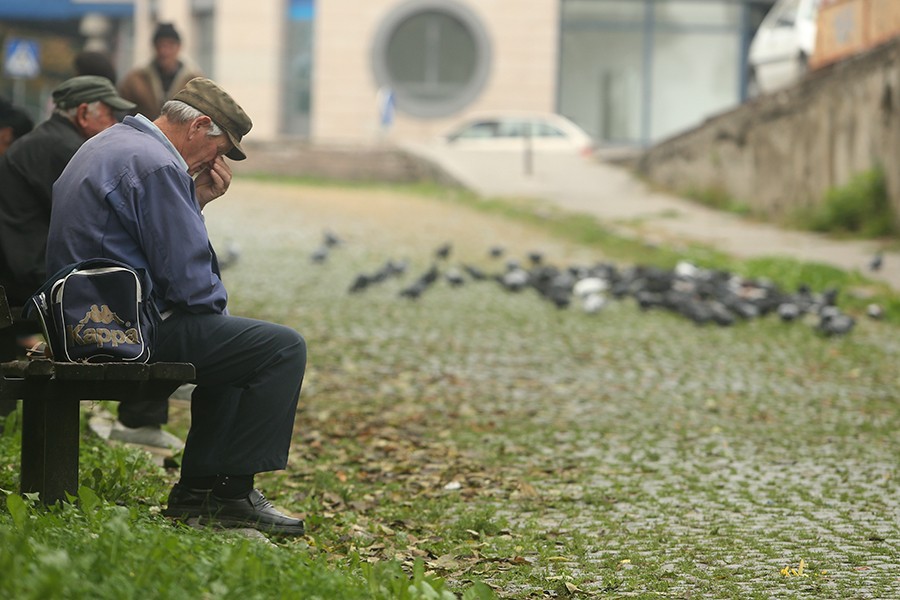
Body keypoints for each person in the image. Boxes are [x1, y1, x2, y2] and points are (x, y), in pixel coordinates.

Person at [46, 77, 307, 536]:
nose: (216, 162)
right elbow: (189, 283)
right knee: (279, 348)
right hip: (120, 331)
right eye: (219, 148)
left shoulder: (116, 142)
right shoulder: (157, 164)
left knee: (233, 346)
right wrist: (218, 316)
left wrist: (195, 200)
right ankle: (229, 494)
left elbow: (151, 243)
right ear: (199, 125)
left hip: (82, 319)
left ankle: (199, 494)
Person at [0, 76, 134, 364]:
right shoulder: (65, 148)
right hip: (29, 274)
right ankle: (138, 401)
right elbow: (97, 222)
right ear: (84, 113)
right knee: (142, 302)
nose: (115, 124)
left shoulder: (51, 139)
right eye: (110, 114)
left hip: (20, 265)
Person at [118, 22, 203, 119]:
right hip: (142, 133)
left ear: (179, 47)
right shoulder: (136, 79)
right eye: (161, 45)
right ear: (154, 47)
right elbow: (122, 110)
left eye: (170, 46)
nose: (164, 51)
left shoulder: (194, 80)